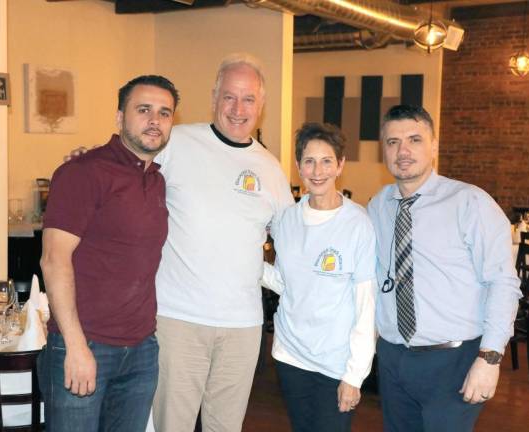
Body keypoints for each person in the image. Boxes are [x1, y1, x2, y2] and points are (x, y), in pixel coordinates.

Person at [152, 54, 294, 432]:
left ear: (261, 106)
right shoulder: (175, 143)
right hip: (177, 319)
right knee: (171, 425)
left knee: (225, 427)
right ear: (214, 96)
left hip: (243, 325)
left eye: (248, 99)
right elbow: (123, 171)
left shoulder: (270, 169)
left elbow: (295, 242)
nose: (238, 108)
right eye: (229, 97)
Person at [366, 104, 521, 432]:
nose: (403, 151)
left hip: (452, 361)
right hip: (393, 359)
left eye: (414, 139)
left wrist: (489, 358)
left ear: (434, 145)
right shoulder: (378, 206)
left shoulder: (470, 202)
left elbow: (502, 282)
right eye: (392, 142)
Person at [38, 75, 179, 432]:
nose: (154, 120)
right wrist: (75, 346)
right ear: (119, 118)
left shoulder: (157, 181)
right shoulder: (82, 173)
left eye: (164, 113)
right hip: (85, 345)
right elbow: (54, 260)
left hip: (142, 351)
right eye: (143, 109)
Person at [261, 122, 377, 432]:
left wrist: (355, 375)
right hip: (290, 355)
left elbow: (366, 307)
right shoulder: (286, 220)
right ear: (298, 166)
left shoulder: (358, 224)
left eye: (327, 161)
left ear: (340, 165)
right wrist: (252, 267)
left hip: (334, 364)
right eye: (309, 161)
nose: (317, 170)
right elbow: (288, 284)